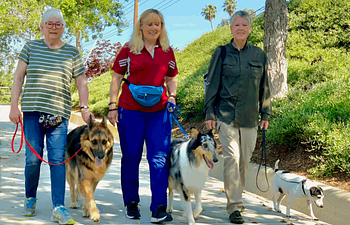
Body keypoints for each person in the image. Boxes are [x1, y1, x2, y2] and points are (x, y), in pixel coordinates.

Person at [9, 8, 94, 225]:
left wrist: (84, 108)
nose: (54, 27)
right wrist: (14, 107)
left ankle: (59, 206)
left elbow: (82, 82)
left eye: (58, 24)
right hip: (32, 112)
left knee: (57, 160)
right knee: (32, 159)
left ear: (63, 28)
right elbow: (18, 77)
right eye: (50, 24)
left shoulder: (72, 52)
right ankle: (30, 198)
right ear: (42, 27)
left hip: (59, 114)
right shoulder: (30, 47)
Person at [108, 8, 178, 223]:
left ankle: (158, 207)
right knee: (131, 157)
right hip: (130, 111)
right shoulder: (129, 50)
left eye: (158, 24)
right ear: (140, 26)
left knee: (158, 158)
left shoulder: (167, 51)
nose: (154, 27)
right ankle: (131, 202)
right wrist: (112, 106)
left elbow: (171, 77)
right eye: (149, 23)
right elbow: (116, 77)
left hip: (159, 112)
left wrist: (173, 96)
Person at [204, 10, 272, 224]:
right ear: (231, 28)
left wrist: (266, 112)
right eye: (237, 25)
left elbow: (265, 87)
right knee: (232, 159)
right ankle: (234, 206)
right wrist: (210, 113)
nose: (241, 28)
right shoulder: (221, 53)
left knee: (244, 162)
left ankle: (236, 196)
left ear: (249, 29)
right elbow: (212, 84)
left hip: (251, 117)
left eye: (245, 25)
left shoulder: (259, 55)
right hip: (226, 115)